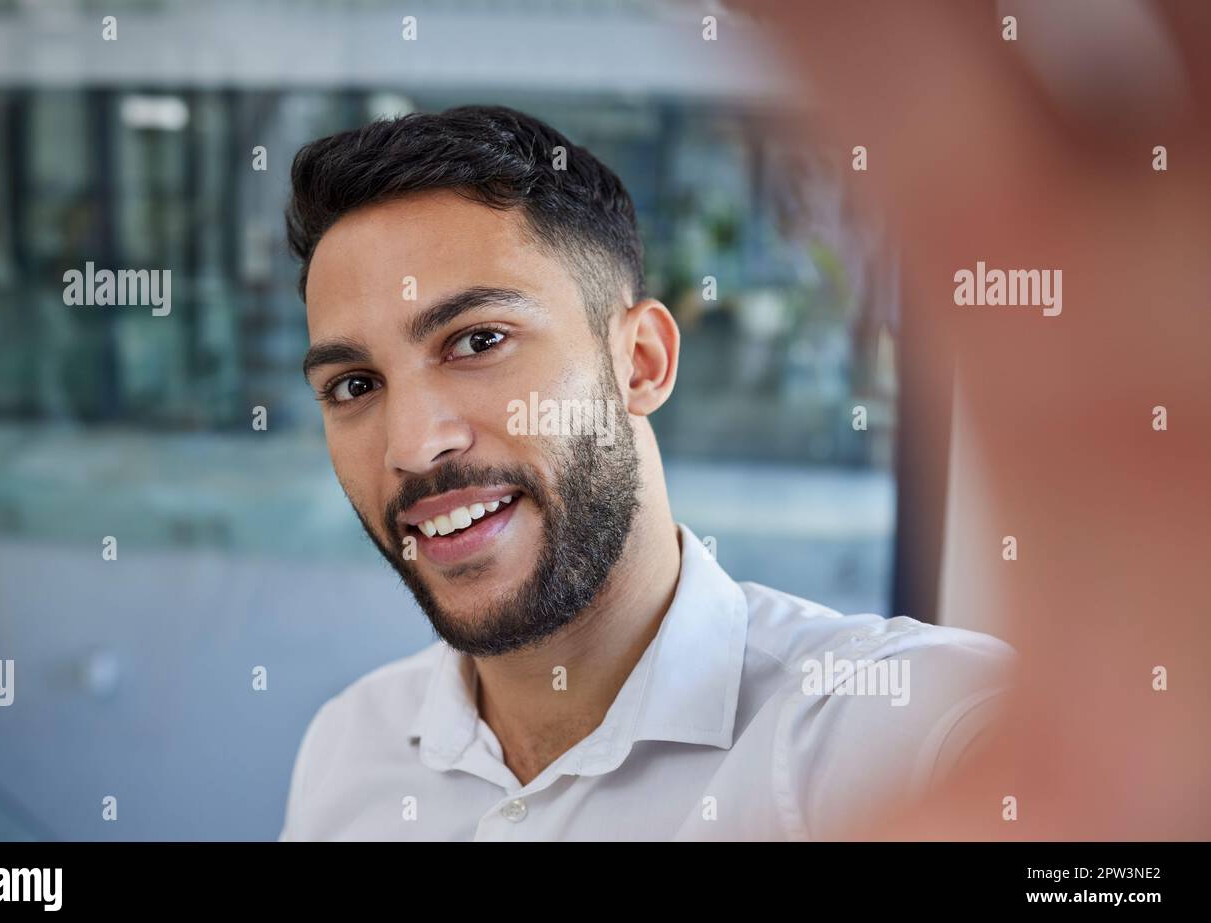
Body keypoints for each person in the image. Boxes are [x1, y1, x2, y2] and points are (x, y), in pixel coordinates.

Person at [277, 105, 1013, 841]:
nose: (411, 444)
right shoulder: (347, 748)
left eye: (478, 340)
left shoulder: (895, 727)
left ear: (641, 362)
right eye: (354, 384)